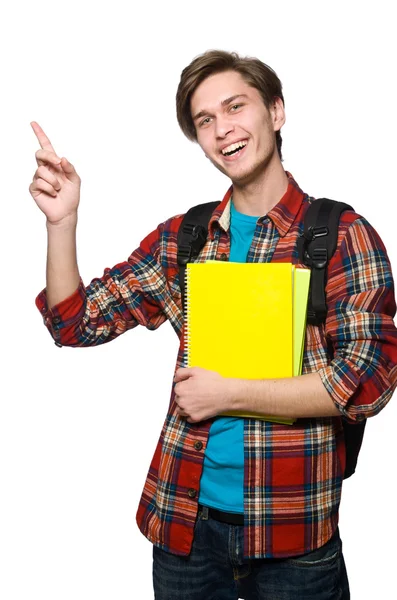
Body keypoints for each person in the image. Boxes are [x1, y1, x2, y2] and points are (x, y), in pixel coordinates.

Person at [30, 50, 397, 600]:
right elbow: (74, 322)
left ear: (275, 112)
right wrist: (64, 223)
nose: (221, 129)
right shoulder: (187, 238)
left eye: (235, 106)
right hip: (184, 527)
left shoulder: (340, 235)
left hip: (295, 534)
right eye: (204, 120)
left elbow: (372, 377)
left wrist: (229, 394)